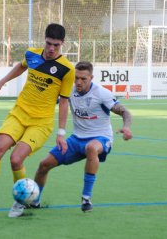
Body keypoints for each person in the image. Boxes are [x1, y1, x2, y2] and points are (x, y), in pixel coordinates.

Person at [0, 23, 75, 218]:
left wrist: (61, 133)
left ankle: (20, 204)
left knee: (16, 159)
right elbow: (20, 67)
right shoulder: (31, 55)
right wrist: (1, 82)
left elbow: (65, 102)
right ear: (44, 39)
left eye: (56, 46)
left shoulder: (67, 69)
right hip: (18, 114)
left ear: (63, 44)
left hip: (41, 123)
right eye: (49, 43)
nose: (51, 49)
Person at [33, 61, 133, 212]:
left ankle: (86, 199)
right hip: (76, 140)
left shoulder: (101, 93)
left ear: (91, 77)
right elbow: (50, 101)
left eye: (83, 79)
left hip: (101, 138)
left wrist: (126, 127)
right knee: (44, 165)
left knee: (91, 148)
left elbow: (125, 112)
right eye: (76, 78)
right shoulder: (69, 92)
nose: (79, 82)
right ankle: (34, 201)